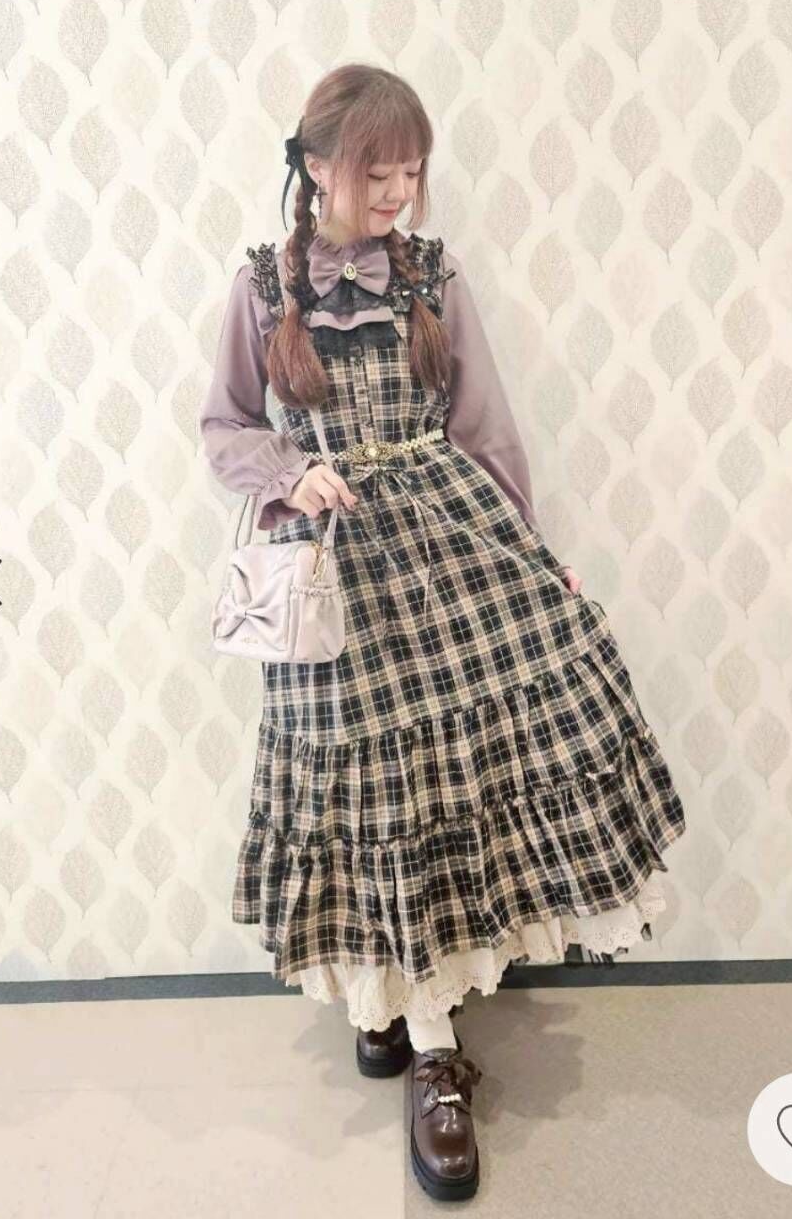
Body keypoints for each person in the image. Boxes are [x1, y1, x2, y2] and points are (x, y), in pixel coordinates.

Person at [199, 63, 686, 1202]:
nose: (399, 192)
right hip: (331, 572)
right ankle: (408, 1018)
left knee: (469, 759)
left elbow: (487, 425)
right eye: (379, 170)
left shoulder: (432, 273)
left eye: (412, 171)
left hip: (448, 545)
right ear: (318, 166)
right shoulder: (261, 288)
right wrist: (289, 472)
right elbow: (222, 423)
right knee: (373, 787)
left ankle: (424, 1036)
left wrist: (532, 553)